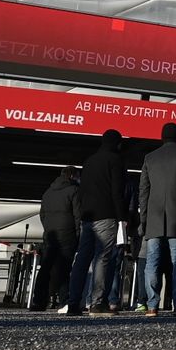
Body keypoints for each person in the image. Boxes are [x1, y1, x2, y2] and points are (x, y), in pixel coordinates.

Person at [137, 123, 176, 319]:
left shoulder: (149, 158)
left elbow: (143, 192)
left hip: (154, 217)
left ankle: (152, 305)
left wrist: (144, 218)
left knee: (152, 261)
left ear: (162, 136)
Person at [66, 130, 129, 315]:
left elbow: (82, 190)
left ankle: (73, 302)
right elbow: (117, 192)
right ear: (117, 144)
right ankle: (97, 303)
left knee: (83, 258)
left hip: (88, 217)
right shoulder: (115, 161)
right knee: (103, 258)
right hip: (106, 214)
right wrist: (122, 217)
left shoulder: (89, 161)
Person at [36, 162, 80, 311]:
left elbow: (42, 215)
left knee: (45, 268)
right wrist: (78, 235)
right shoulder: (74, 190)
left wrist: (48, 229)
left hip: (50, 235)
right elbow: (77, 215)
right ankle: (64, 301)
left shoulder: (48, 192)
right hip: (67, 234)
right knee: (64, 269)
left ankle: (38, 301)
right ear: (73, 176)